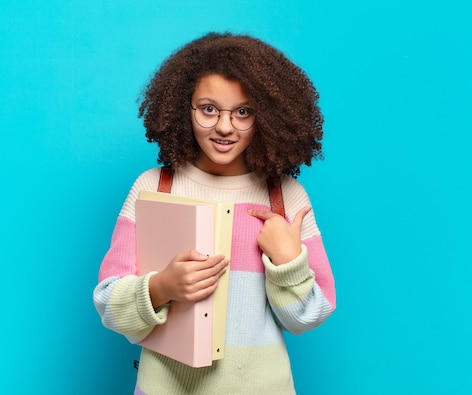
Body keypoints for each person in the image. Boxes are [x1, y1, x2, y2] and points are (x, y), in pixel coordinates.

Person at [93, 32, 336, 394]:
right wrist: (161, 287)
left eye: (243, 112)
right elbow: (109, 303)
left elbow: (309, 317)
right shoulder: (152, 188)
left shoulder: (286, 198)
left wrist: (288, 263)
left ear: (266, 116)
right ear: (182, 107)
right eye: (209, 109)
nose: (224, 126)